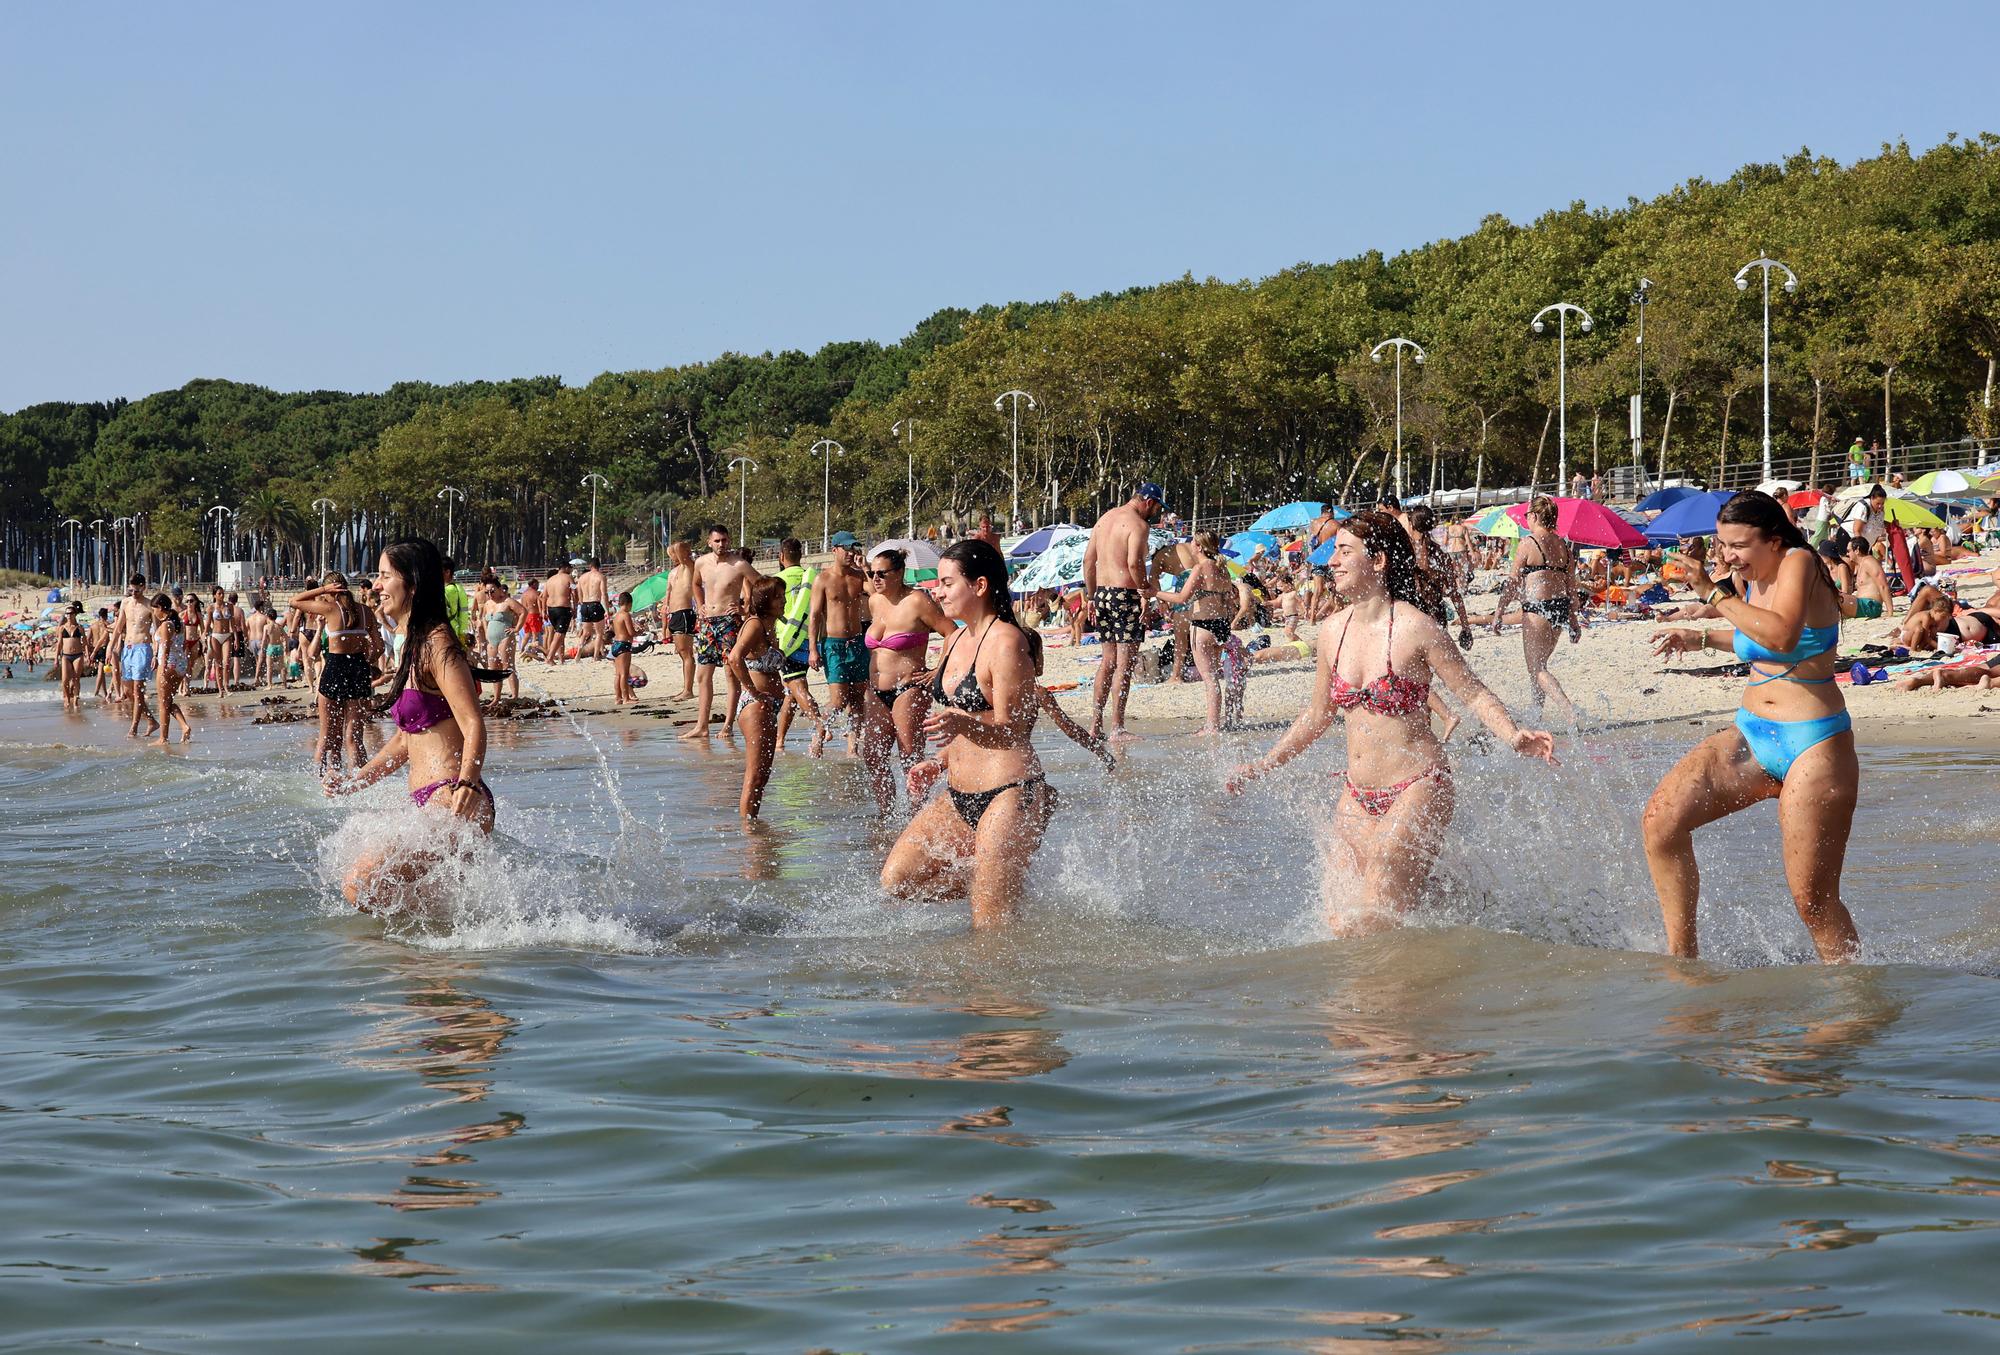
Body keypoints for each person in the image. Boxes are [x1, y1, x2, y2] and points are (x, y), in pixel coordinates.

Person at [1225, 511, 1556, 933]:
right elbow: (1317, 715)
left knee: (1375, 915)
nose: (1333, 561)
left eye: (1345, 551)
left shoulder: (1417, 628)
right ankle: (1462, 917)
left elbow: (1471, 692)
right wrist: (1262, 765)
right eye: (1334, 552)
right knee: (1340, 923)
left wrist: (1513, 735)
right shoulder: (1331, 631)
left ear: (1378, 560)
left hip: (1418, 785)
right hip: (1357, 794)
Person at [1643, 491, 1861, 964]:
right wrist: (1700, 637)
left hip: (1814, 744)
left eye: (1738, 545)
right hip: (1753, 733)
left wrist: (1712, 593)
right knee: (1661, 824)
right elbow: (1758, 636)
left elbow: (1782, 633)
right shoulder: (1748, 577)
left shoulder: (1799, 560)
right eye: (1722, 545)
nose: (1727, 556)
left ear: (1775, 540)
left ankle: (1851, 1000)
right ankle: (1684, 963)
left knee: (1813, 901)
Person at [882, 540, 1056, 928]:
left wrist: (962, 725)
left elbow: (1014, 730)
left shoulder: (1008, 642)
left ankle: (997, 888)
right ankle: (998, 883)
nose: (936, 591)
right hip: (958, 795)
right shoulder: (954, 639)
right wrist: (938, 761)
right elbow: (963, 716)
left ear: (979, 586)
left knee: (989, 928)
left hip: (1011, 794)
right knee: (898, 881)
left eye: (946, 582)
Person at [328, 537, 495, 913]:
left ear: (413, 584)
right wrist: (356, 782)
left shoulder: (438, 645)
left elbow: (473, 723)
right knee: (415, 911)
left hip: (455, 798)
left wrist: (468, 780)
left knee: (361, 883)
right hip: (429, 802)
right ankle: (429, 967)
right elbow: (406, 741)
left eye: (385, 576)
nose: (375, 586)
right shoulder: (412, 644)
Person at [860, 546, 951, 812]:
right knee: (873, 757)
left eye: (882, 574)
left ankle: (916, 814)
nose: (876, 579)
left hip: (909, 688)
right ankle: (886, 817)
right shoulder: (875, 601)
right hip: (876, 691)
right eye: (872, 573)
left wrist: (938, 670)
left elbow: (951, 632)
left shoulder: (917, 601)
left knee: (909, 757)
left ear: (899, 573)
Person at [1083, 482, 1165, 742]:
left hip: (1103, 594)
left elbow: (1088, 561)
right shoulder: (1139, 526)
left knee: (1107, 662)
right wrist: (1144, 591)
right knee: (1124, 664)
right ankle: (1117, 727)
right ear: (1149, 502)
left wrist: (1091, 596)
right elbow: (1133, 562)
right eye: (1157, 508)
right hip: (1125, 596)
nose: (1156, 513)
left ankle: (1095, 725)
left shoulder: (1105, 518)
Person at [1491, 495, 1581, 723]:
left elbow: (1512, 581)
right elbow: (1571, 587)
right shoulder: (1564, 547)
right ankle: (1536, 716)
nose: (1526, 520)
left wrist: (1499, 611)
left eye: (1527, 515)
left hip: (1537, 609)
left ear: (1535, 516)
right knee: (1539, 666)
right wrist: (1573, 620)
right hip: (1560, 609)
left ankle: (1569, 712)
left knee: (1537, 667)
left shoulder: (1528, 543)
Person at [292, 573, 377, 777]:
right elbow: (379, 646)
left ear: (331, 590)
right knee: (354, 736)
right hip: (359, 668)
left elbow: (294, 601)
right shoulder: (365, 611)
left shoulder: (330, 609)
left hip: (335, 667)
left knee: (328, 734)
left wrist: (322, 591)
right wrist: (366, 661)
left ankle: (323, 780)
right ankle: (360, 783)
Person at [1152, 531, 1235, 736]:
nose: (1189, 545)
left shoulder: (1200, 568)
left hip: (1203, 625)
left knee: (1209, 679)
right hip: (1222, 624)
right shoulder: (1222, 567)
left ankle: (1211, 726)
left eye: (1191, 543)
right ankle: (1217, 722)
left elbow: (1181, 598)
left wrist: (1154, 594)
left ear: (1198, 546)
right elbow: (1230, 596)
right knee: (1214, 677)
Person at [684, 524, 758, 740]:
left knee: (730, 673)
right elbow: (696, 584)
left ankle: (728, 725)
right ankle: (702, 726)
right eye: (717, 541)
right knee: (703, 674)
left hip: (729, 621)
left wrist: (746, 609)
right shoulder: (701, 563)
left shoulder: (739, 564)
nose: (721, 544)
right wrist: (700, 605)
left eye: (724, 540)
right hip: (707, 622)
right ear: (709, 542)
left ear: (729, 540)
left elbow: (762, 585)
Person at [808, 530, 871, 745]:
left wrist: (865, 567)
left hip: (857, 642)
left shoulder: (858, 576)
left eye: (852, 548)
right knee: (838, 699)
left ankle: (852, 747)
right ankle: (817, 738)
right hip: (833, 644)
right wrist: (813, 649)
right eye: (846, 548)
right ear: (834, 549)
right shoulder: (822, 579)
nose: (850, 553)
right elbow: (815, 616)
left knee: (857, 699)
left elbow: (875, 591)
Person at [770, 539, 827, 755]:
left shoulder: (776, 580)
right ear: (800, 556)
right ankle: (780, 741)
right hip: (809, 638)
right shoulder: (810, 577)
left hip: (787, 640)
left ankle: (818, 723)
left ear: (781, 557)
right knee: (790, 692)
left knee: (796, 685)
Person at [116, 575, 160, 738]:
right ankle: (151, 721)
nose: (133, 593)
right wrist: (111, 648)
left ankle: (133, 728)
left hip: (143, 648)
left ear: (143, 587)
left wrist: (156, 654)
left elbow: (157, 632)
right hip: (127, 648)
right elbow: (119, 627)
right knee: (128, 692)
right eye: (131, 590)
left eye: (136, 590)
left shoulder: (149, 605)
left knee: (137, 689)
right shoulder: (125, 603)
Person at [150, 592, 193, 744]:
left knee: (162, 703)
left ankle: (163, 738)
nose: (153, 612)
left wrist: (162, 667)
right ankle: (184, 726)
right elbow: (181, 645)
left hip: (169, 665)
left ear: (160, 607)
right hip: (180, 665)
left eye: (154, 608)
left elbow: (166, 647)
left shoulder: (166, 624)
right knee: (168, 702)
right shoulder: (178, 622)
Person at [661, 540, 698, 698]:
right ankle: (685, 688)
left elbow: (680, 549)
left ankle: (688, 690)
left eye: (673, 554)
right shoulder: (672, 573)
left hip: (684, 611)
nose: (673, 556)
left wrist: (674, 549)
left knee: (686, 652)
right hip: (675, 614)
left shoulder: (688, 567)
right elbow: (668, 594)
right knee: (682, 653)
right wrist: (665, 621)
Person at [479, 580, 524, 702]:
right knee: (494, 669)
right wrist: (486, 629)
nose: (490, 594)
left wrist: (517, 628)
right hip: (491, 639)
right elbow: (483, 618)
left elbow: (523, 612)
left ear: (499, 589)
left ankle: (514, 696)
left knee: (507, 666)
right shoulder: (488, 604)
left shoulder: (507, 602)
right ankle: (496, 697)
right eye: (487, 592)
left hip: (505, 637)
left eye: (492, 591)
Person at [608, 591, 639, 704]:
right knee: (624, 674)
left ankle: (618, 698)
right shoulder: (626, 615)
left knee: (618, 674)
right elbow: (631, 632)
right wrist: (639, 632)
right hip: (624, 645)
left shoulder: (616, 616)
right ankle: (626, 698)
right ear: (629, 603)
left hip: (615, 645)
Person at [576, 557, 609, 660]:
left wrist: (582, 602)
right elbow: (604, 594)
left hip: (584, 605)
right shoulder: (600, 577)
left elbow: (579, 594)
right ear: (599, 566)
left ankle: (578, 655)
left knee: (585, 633)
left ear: (590, 566)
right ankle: (595, 656)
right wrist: (607, 610)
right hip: (595, 604)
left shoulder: (582, 577)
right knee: (599, 633)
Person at [55, 603, 86, 711]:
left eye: (70, 613)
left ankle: (76, 699)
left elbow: (85, 642)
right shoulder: (62, 628)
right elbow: (59, 643)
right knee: (64, 680)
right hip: (66, 656)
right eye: (67, 613)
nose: (68, 615)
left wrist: (87, 654)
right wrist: (56, 658)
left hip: (78, 655)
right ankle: (67, 698)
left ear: (75, 614)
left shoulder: (80, 627)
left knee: (76, 678)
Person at [543, 562, 575, 664]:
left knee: (560, 634)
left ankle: (561, 659)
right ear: (565, 568)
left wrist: (543, 610)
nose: (571, 571)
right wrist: (575, 606)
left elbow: (544, 596)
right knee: (559, 634)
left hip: (551, 609)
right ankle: (550, 657)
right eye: (570, 568)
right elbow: (574, 592)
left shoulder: (550, 580)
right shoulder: (568, 578)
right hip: (563, 608)